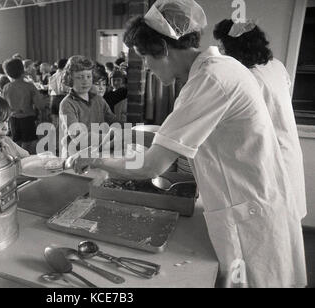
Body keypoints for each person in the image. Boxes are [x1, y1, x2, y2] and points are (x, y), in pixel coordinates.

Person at [69, 0, 307, 288]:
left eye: (145, 57)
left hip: (249, 213)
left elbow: (150, 166)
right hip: (251, 198)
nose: (146, 66)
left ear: (164, 49)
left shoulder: (210, 79)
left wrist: (93, 160)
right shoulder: (220, 67)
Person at [214, 19, 307, 222]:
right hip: (287, 151)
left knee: (271, 228)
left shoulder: (245, 77)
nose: (220, 52)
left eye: (222, 46)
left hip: (270, 159)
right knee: (284, 226)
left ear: (232, 47)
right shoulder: (276, 66)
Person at [59, 55, 117, 156]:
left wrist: (129, 130)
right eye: (80, 77)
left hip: (96, 151)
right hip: (75, 154)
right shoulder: (67, 104)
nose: (85, 81)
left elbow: (113, 120)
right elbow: (78, 137)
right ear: (70, 79)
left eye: (88, 76)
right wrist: (111, 137)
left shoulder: (98, 100)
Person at [2, 58, 44, 154]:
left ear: (8, 73)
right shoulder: (29, 86)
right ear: (22, 70)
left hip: (13, 120)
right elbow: (40, 105)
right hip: (27, 119)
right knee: (29, 145)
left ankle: (18, 161)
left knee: (17, 142)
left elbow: (3, 106)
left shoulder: (6, 87)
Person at [49, 58, 69, 127]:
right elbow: (63, 88)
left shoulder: (53, 75)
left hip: (53, 99)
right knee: (64, 123)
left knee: (54, 123)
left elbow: (50, 90)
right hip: (62, 98)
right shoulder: (65, 75)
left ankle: (53, 137)